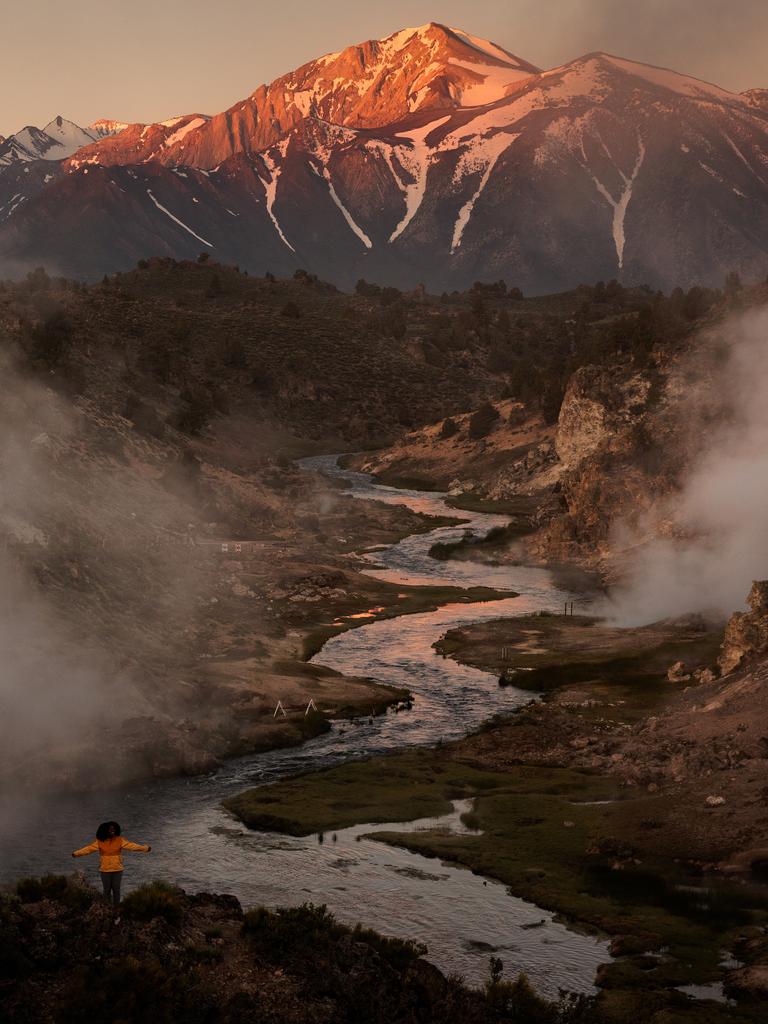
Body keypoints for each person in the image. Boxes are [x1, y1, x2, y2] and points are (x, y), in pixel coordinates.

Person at [72, 821, 151, 919]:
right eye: (110, 829)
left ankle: (116, 910)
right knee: (107, 890)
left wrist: (145, 848)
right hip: (105, 870)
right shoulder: (100, 841)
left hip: (118, 869)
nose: (112, 830)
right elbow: (88, 849)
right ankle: (107, 909)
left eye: (114, 829)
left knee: (116, 889)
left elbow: (132, 846)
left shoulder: (120, 840)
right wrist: (76, 853)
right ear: (105, 830)